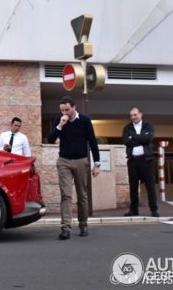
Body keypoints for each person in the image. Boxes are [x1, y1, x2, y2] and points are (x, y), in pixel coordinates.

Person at [47, 96, 100, 240]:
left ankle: (83, 224)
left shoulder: (84, 120)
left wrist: (97, 164)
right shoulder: (59, 120)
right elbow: (50, 139)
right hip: (64, 161)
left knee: (82, 195)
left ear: (74, 107)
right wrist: (60, 125)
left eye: (67, 110)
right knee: (66, 195)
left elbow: (92, 141)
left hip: (81, 161)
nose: (65, 112)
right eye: (62, 110)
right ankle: (65, 227)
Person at [122, 107, 159, 217]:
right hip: (133, 160)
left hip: (146, 160)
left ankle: (154, 210)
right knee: (133, 186)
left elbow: (148, 138)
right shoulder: (127, 128)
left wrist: (133, 138)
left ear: (140, 114)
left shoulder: (148, 126)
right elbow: (126, 141)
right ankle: (133, 210)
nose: (133, 117)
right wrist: (142, 139)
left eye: (135, 114)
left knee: (150, 186)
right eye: (131, 115)